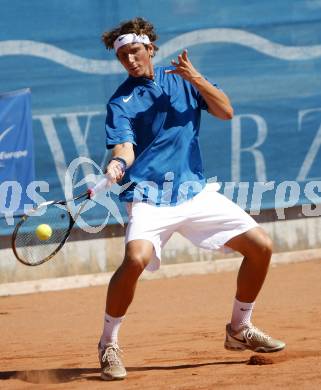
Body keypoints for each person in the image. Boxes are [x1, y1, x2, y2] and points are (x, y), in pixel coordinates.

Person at [98, 17, 285, 381]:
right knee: (135, 259)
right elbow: (124, 146)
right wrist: (118, 163)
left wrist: (194, 77)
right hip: (149, 197)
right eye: (122, 56)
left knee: (261, 246)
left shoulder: (182, 80)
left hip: (193, 192)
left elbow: (226, 112)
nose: (130, 60)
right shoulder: (120, 100)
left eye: (134, 51)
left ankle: (239, 328)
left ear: (150, 48)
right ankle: (108, 344)